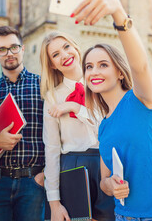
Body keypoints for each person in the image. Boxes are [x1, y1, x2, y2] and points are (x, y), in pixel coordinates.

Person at [74, 0, 152, 221]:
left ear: (118, 72)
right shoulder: (103, 126)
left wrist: (117, 11)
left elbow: (141, 67)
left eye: (103, 64)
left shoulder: (141, 101)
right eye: (88, 67)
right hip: (124, 216)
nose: (94, 71)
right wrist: (111, 186)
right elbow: (105, 181)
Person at [40, 31, 115, 221]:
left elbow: (109, 128)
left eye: (66, 47)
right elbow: (52, 149)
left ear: (75, 48)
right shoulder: (52, 98)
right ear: (52, 64)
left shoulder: (102, 83)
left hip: (107, 163)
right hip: (72, 166)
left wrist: (75, 107)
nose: (64, 55)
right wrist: (54, 203)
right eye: (55, 54)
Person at [0, 26, 45, 221]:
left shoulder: (43, 86)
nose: (9, 54)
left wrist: (45, 175)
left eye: (14, 47)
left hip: (33, 182)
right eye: (2, 50)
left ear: (22, 49)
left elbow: (57, 135)